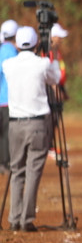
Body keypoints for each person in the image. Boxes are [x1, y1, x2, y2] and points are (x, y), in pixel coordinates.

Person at [2, 27, 61, 231]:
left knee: (16, 170)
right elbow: (55, 78)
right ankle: (26, 219)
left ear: (17, 45)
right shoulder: (42, 63)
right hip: (37, 124)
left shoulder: (8, 65)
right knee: (33, 171)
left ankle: (14, 218)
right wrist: (51, 55)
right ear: (36, 44)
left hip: (15, 125)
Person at [0, 19, 19, 174]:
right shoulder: (12, 52)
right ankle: (5, 163)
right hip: (7, 99)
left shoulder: (1, 50)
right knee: (7, 133)